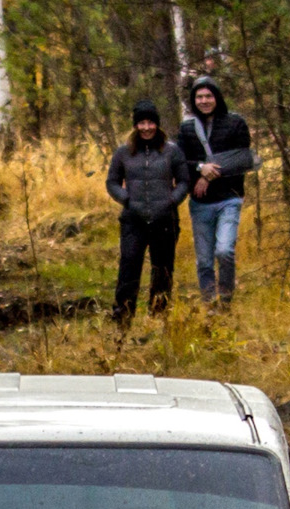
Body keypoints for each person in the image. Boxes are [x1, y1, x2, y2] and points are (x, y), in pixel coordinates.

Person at [107, 101, 190, 324]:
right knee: (129, 266)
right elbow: (112, 182)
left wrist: (172, 201)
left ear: (157, 124)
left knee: (162, 269)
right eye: (141, 123)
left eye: (150, 122)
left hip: (165, 220)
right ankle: (122, 316)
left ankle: (158, 316)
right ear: (135, 125)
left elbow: (184, 181)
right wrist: (126, 199)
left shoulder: (172, 151)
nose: (146, 127)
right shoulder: (123, 153)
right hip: (133, 220)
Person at [177, 76, 256, 305]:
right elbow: (181, 162)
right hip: (200, 203)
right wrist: (201, 168)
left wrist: (209, 176)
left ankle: (226, 297)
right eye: (199, 97)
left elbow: (243, 159)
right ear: (194, 100)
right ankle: (210, 303)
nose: (204, 101)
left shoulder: (235, 123)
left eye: (208, 96)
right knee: (204, 261)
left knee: (224, 251)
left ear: (217, 97)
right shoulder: (187, 128)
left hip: (229, 198)